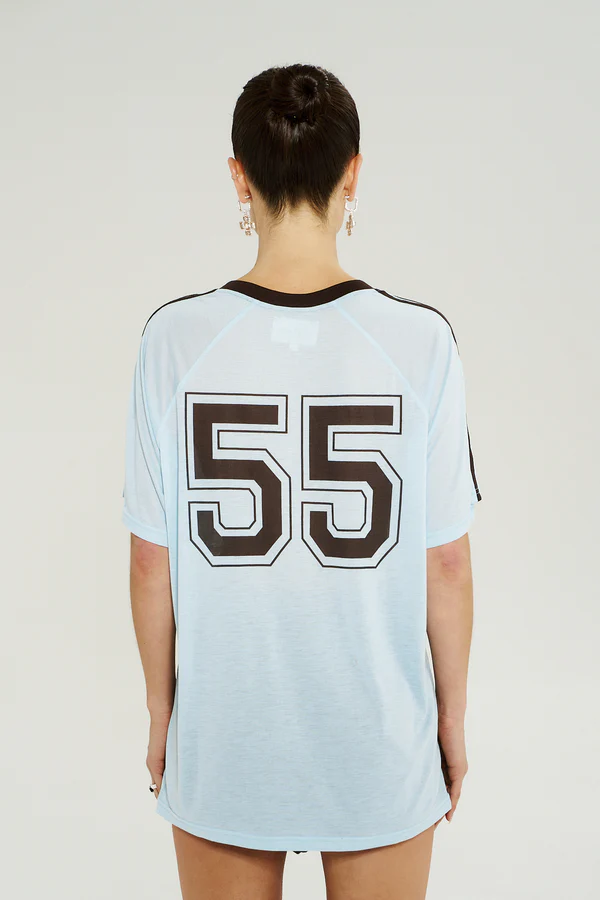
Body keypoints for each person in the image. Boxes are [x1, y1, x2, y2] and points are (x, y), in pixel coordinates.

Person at [121, 62, 482, 900]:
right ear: (352, 174)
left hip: (225, 740)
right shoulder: (421, 342)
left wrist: (162, 716)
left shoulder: (173, 340)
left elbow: (149, 561)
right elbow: (447, 564)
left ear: (239, 177)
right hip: (381, 742)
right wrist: (452, 721)